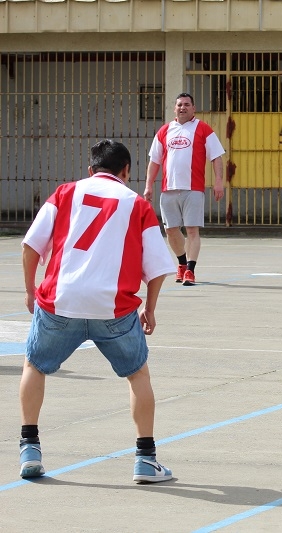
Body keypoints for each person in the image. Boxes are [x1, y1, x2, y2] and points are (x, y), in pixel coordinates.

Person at [19, 139, 175, 483]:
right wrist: (149, 309)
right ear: (127, 172)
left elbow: (30, 245)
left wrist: (31, 291)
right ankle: (145, 459)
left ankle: (29, 448)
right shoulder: (137, 204)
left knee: (34, 364)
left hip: (61, 302)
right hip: (114, 309)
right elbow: (160, 266)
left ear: (91, 170)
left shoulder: (64, 193)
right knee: (138, 375)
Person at [144, 92, 225, 286]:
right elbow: (154, 161)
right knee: (171, 230)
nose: (183, 107)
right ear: (174, 108)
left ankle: (190, 270)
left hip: (193, 188)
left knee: (192, 230)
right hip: (168, 190)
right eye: (179, 104)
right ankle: (181, 263)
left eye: (187, 104)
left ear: (193, 108)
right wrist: (148, 185)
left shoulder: (203, 129)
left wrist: (219, 181)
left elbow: (216, 157)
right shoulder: (164, 131)